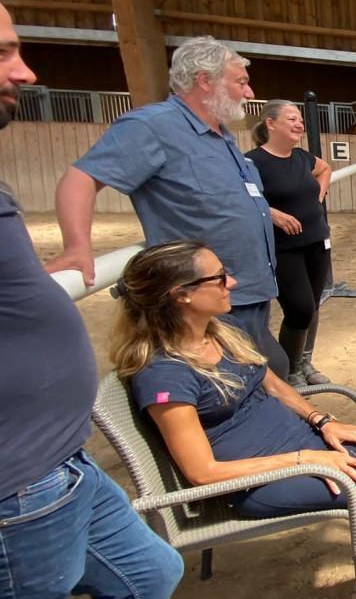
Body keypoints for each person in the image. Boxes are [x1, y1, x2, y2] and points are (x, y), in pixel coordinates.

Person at [110, 240, 356, 599]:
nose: (233, 282)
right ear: (182, 296)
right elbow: (202, 473)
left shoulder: (221, 331)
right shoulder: (165, 374)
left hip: (301, 444)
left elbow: (272, 384)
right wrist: (306, 460)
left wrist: (322, 422)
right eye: (220, 277)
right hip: (259, 481)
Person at [0, 2, 184, 599]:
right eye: (3, 53)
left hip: (62, 461)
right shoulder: (153, 127)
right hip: (17, 483)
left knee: (149, 574)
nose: (25, 68)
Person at [47, 36, 289, 379]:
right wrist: (77, 245)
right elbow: (81, 177)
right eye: (241, 82)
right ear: (205, 80)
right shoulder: (153, 126)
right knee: (237, 386)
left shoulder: (223, 136)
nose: (249, 93)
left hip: (248, 292)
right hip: (203, 298)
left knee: (269, 373)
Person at [246, 100, 333, 387]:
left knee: (313, 304)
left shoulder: (303, 158)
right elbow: (237, 196)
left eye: (300, 120)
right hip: (285, 247)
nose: (299, 124)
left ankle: (305, 362)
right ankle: (291, 370)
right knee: (299, 308)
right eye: (292, 119)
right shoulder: (253, 162)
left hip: (317, 240)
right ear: (271, 124)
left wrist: (318, 197)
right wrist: (270, 213)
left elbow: (325, 169)